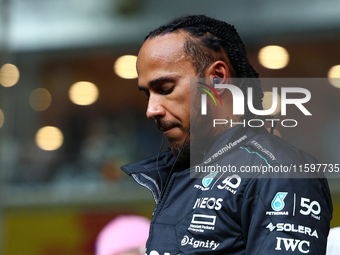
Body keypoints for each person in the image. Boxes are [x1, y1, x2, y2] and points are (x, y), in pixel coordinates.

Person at [121, 15, 332, 254]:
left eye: (166, 89)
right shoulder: (185, 170)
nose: (151, 110)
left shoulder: (278, 170)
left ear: (217, 79)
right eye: (147, 95)